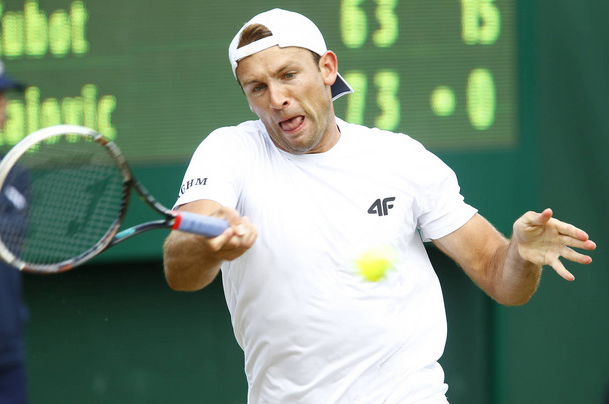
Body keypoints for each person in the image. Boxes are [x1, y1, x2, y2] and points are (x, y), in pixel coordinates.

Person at [163, 9, 596, 403]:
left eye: (288, 75)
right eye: (257, 87)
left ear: (327, 68)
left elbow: (502, 281)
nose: (276, 98)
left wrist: (520, 254)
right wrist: (211, 244)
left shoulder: (400, 158)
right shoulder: (229, 151)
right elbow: (180, 268)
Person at [0, 56, 29, 404]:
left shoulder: (13, 176)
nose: (1, 108)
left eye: (3, 98)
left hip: (4, 351)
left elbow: (14, 237)